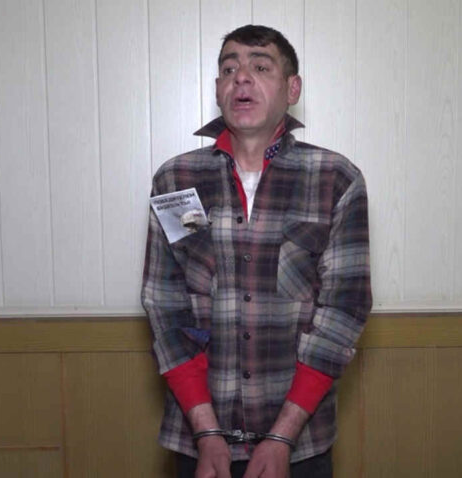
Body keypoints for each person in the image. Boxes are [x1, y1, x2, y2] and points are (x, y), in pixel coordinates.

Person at [142, 25, 371, 478]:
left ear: (292, 89)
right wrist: (206, 433)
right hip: (198, 443)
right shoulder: (176, 181)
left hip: (300, 447)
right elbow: (166, 308)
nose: (241, 78)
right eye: (229, 69)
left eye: (260, 67)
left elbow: (343, 312)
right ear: (218, 90)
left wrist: (282, 436)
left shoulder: (335, 179)